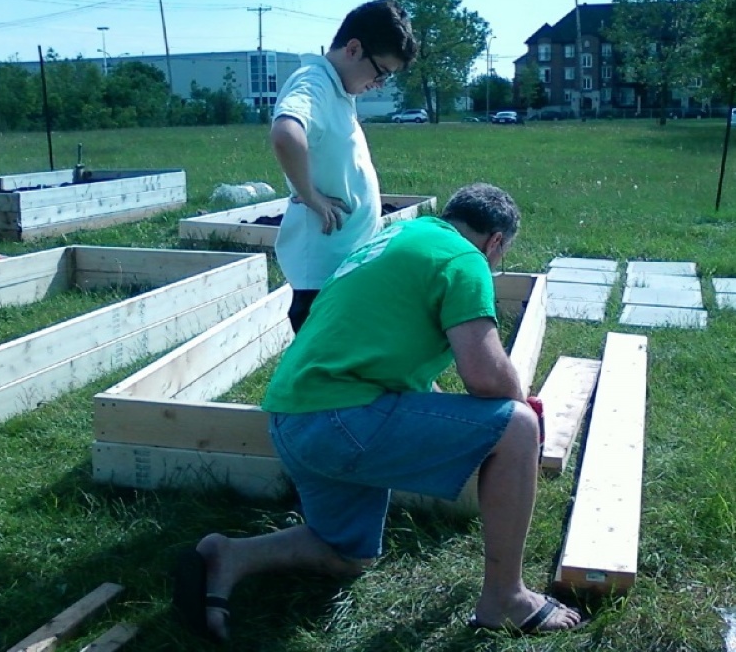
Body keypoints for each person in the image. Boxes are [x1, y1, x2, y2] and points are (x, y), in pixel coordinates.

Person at [172, 183, 586, 640]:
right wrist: (521, 403)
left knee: (348, 553)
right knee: (518, 428)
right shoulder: (465, 260)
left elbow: (393, 359)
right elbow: (486, 377)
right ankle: (505, 598)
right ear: (495, 242)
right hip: (340, 421)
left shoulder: (394, 241)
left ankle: (230, 556)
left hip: (292, 420)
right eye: (500, 255)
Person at [270, 0, 418, 332]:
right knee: (328, 377)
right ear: (353, 49)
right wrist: (311, 197)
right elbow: (285, 133)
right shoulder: (315, 84)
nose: (379, 84)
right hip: (322, 273)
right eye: (381, 72)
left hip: (341, 264)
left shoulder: (338, 89)